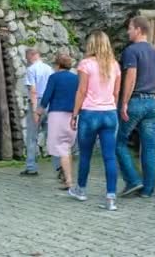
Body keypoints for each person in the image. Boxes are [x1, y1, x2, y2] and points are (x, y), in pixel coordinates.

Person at [68, 30, 121, 211]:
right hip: (110, 113)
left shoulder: (86, 64)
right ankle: (111, 198)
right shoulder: (114, 65)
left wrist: (75, 114)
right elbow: (116, 93)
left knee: (85, 155)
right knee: (109, 156)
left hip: (90, 113)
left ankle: (81, 190)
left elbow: (81, 91)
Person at [116, 16, 155, 198]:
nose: (128, 32)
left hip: (136, 101)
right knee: (149, 147)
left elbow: (131, 77)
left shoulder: (131, 51)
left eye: (130, 28)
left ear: (139, 30)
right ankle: (148, 190)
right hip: (152, 102)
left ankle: (133, 180)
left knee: (117, 142)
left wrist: (124, 102)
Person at [35, 52, 79, 189]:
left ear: (58, 65)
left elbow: (47, 95)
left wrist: (39, 111)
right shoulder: (76, 78)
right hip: (73, 115)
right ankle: (67, 177)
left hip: (58, 115)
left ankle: (69, 181)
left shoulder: (54, 78)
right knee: (67, 147)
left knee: (62, 148)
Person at [20, 48, 59, 176]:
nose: (26, 60)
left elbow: (33, 91)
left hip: (38, 103)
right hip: (50, 103)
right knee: (52, 137)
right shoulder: (49, 69)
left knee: (32, 137)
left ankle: (31, 167)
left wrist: (35, 110)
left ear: (31, 55)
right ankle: (59, 167)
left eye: (27, 57)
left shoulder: (31, 70)